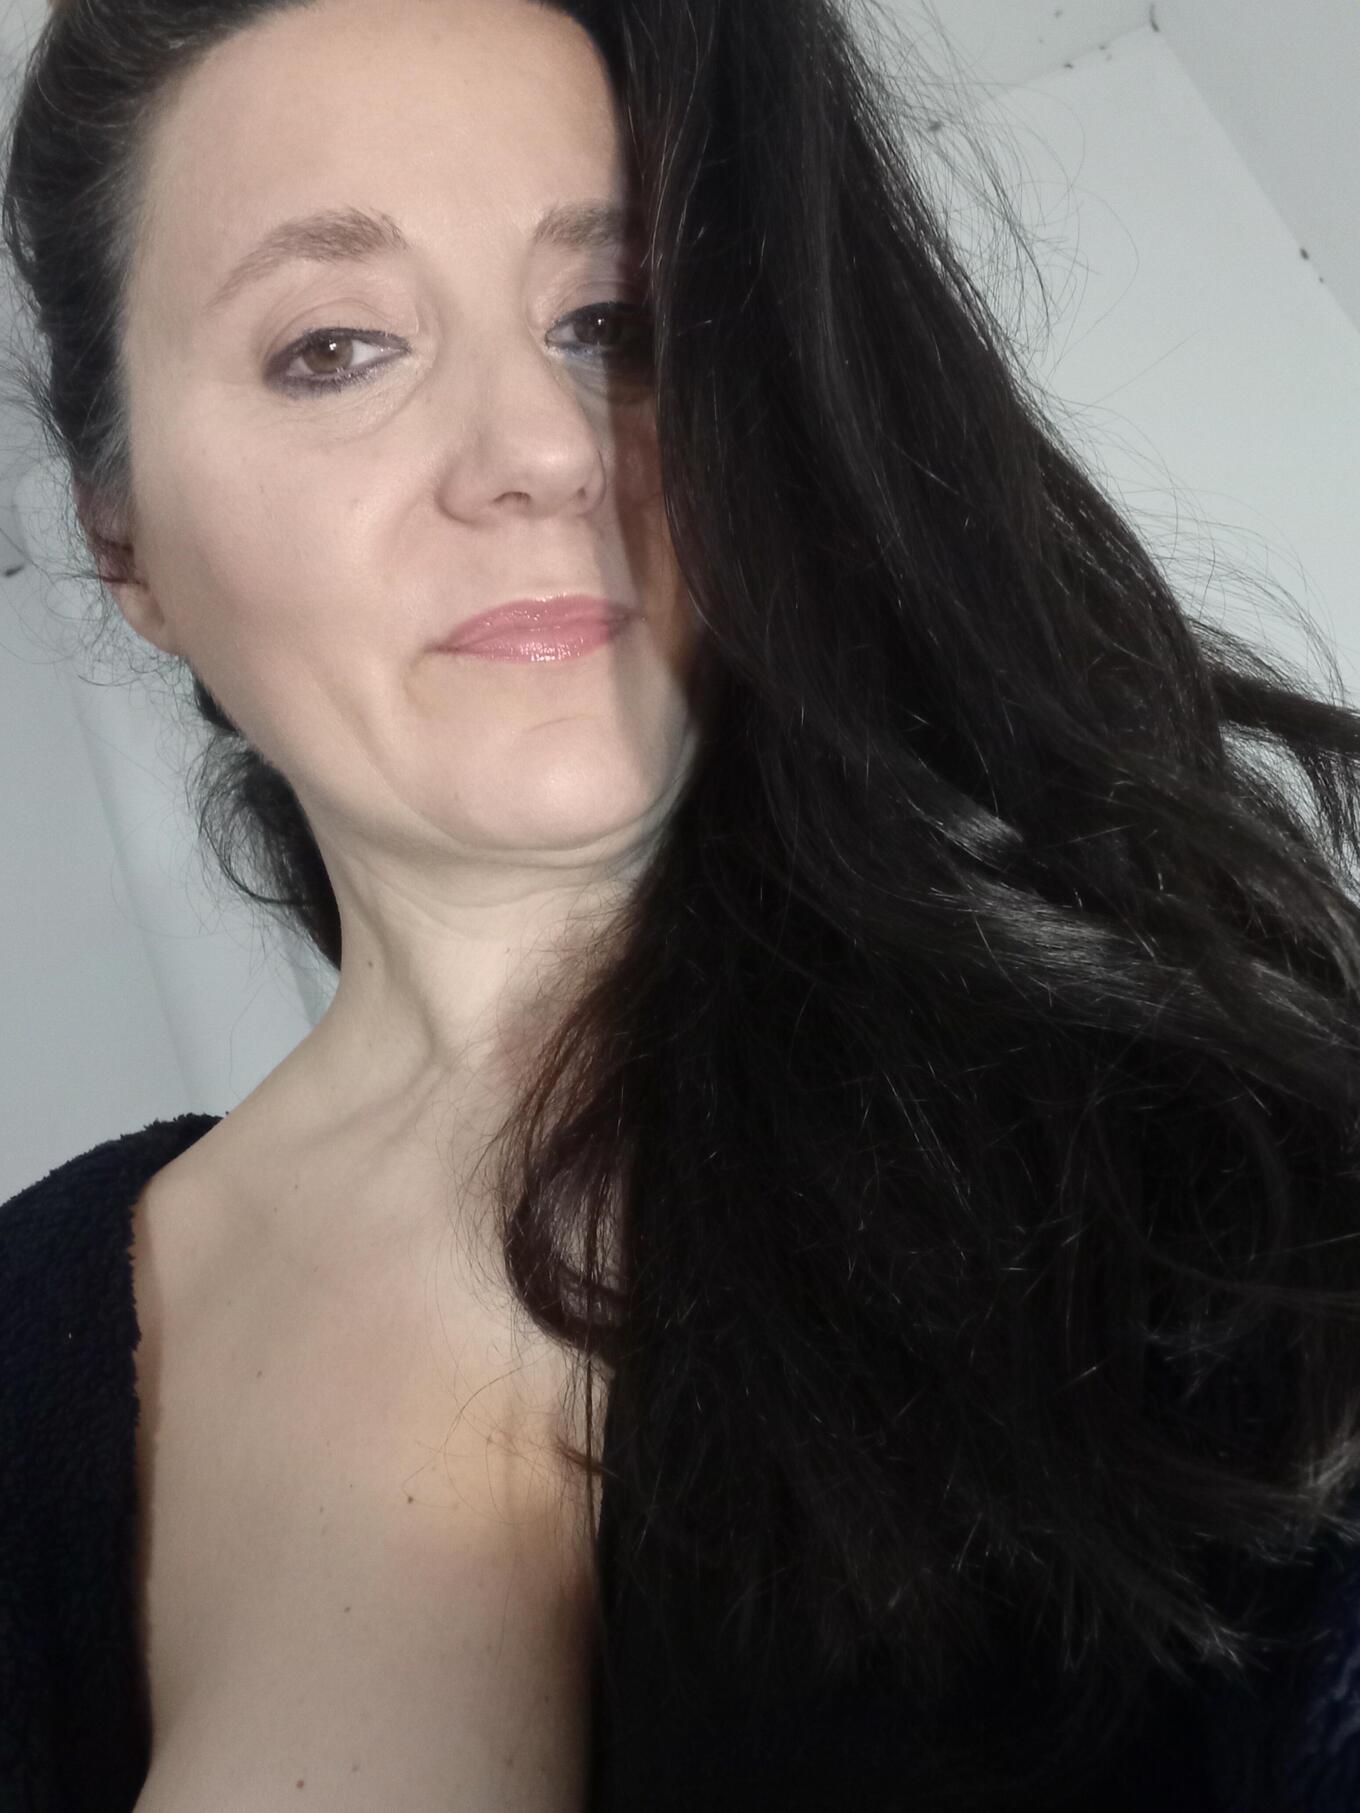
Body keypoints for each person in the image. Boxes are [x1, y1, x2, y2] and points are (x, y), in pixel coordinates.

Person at [3, 0, 1360, 1808]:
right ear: (123, 537)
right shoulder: (28, 1339)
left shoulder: (1190, 1156)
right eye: (333, 347)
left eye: (613, 325)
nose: (541, 448)